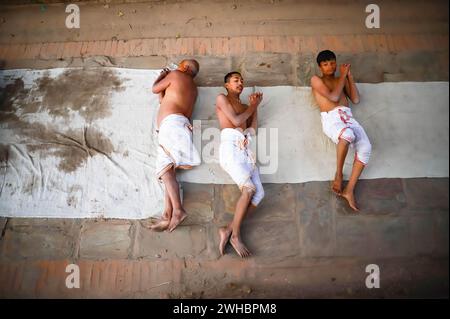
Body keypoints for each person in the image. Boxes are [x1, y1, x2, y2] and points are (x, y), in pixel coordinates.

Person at [311, 50, 371, 211]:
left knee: (366, 148)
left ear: (336, 63)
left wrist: (348, 76)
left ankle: (349, 190)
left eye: (332, 63)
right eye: (325, 64)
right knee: (347, 135)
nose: (329, 67)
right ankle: (339, 174)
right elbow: (334, 98)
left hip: (349, 118)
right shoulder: (316, 80)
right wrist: (343, 76)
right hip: (332, 119)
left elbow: (356, 99)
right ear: (320, 67)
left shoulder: (341, 80)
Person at [215, 71, 264, 257]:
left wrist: (255, 107)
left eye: (242, 80)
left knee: (259, 194)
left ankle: (227, 229)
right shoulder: (222, 99)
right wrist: (253, 105)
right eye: (236, 80)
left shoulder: (245, 105)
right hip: (230, 148)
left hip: (245, 150)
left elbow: (253, 129)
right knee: (249, 189)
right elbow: (236, 121)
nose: (240, 82)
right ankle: (235, 235)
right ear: (227, 85)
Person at [151, 59, 201, 231]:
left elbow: (154, 89)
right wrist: (164, 86)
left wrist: (162, 76)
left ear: (185, 67)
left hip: (172, 126)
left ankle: (178, 210)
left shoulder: (176, 75)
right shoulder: (194, 89)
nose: (176, 68)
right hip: (180, 126)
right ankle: (167, 213)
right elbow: (163, 100)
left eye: (179, 65)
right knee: (168, 169)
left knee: (164, 170)